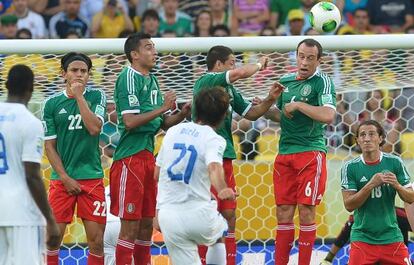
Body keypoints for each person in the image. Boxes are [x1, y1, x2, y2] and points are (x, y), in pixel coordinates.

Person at [192, 45, 284, 265]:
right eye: (232, 62)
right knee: (206, 217)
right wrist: (260, 64)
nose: (235, 65)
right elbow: (242, 73)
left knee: (229, 217)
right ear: (218, 64)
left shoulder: (229, 91)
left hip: (225, 158)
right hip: (205, 160)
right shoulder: (207, 81)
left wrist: (269, 99)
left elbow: (251, 113)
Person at [109, 32, 190, 265]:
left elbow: (162, 124)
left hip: (147, 158)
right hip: (129, 159)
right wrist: (163, 107)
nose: (154, 51)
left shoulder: (152, 80)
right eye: (148, 47)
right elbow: (130, 122)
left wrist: (180, 114)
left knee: (146, 226)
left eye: (154, 47)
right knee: (130, 227)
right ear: (134, 54)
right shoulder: (128, 77)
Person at [273, 38, 336, 265]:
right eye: (301, 56)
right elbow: (280, 115)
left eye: (310, 58)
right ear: (296, 55)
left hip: (310, 152)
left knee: (306, 210)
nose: (304, 62)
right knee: (283, 212)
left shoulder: (323, 82)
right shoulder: (285, 81)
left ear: (319, 60)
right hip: (284, 153)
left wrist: (299, 104)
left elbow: (328, 115)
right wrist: (266, 103)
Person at [156, 86, 236, 265]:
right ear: (224, 115)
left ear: (195, 110)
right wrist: (222, 188)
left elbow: (156, 173)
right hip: (198, 213)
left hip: (168, 216)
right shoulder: (214, 139)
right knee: (220, 235)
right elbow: (214, 167)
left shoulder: (172, 132)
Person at [42, 52, 107, 265]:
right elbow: (50, 146)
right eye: (74, 70)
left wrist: (79, 96)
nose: (79, 75)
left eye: (83, 71)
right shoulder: (51, 103)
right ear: (64, 74)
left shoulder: (97, 97)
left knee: (96, 242)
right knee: (52, 240)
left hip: (92, 178)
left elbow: (94, 129)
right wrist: (65, 177)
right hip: (62, 180)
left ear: (89, 75)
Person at [0, 64, 60, 265]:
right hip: (21, 213)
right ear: (31, 88)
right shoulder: (30, 122)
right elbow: (32, 175)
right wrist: (50, 219)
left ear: (6, 85)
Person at [341, 120, 414, 264]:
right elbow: (349, 205)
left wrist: (397, 186)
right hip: (362, 238)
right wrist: (370, 185)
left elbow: (411, 198)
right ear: (357, 141)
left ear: (380, 139)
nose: (366, 138)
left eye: (371, 134)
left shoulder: (395, 162)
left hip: (391, 237)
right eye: (362, 135)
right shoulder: (350, 167)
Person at [320, 206, 413, 264]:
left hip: (396, 257)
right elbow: (342, 237)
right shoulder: (358, 219)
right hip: (367, 258)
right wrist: (328, 259)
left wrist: (329, 258)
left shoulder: (401, 216)